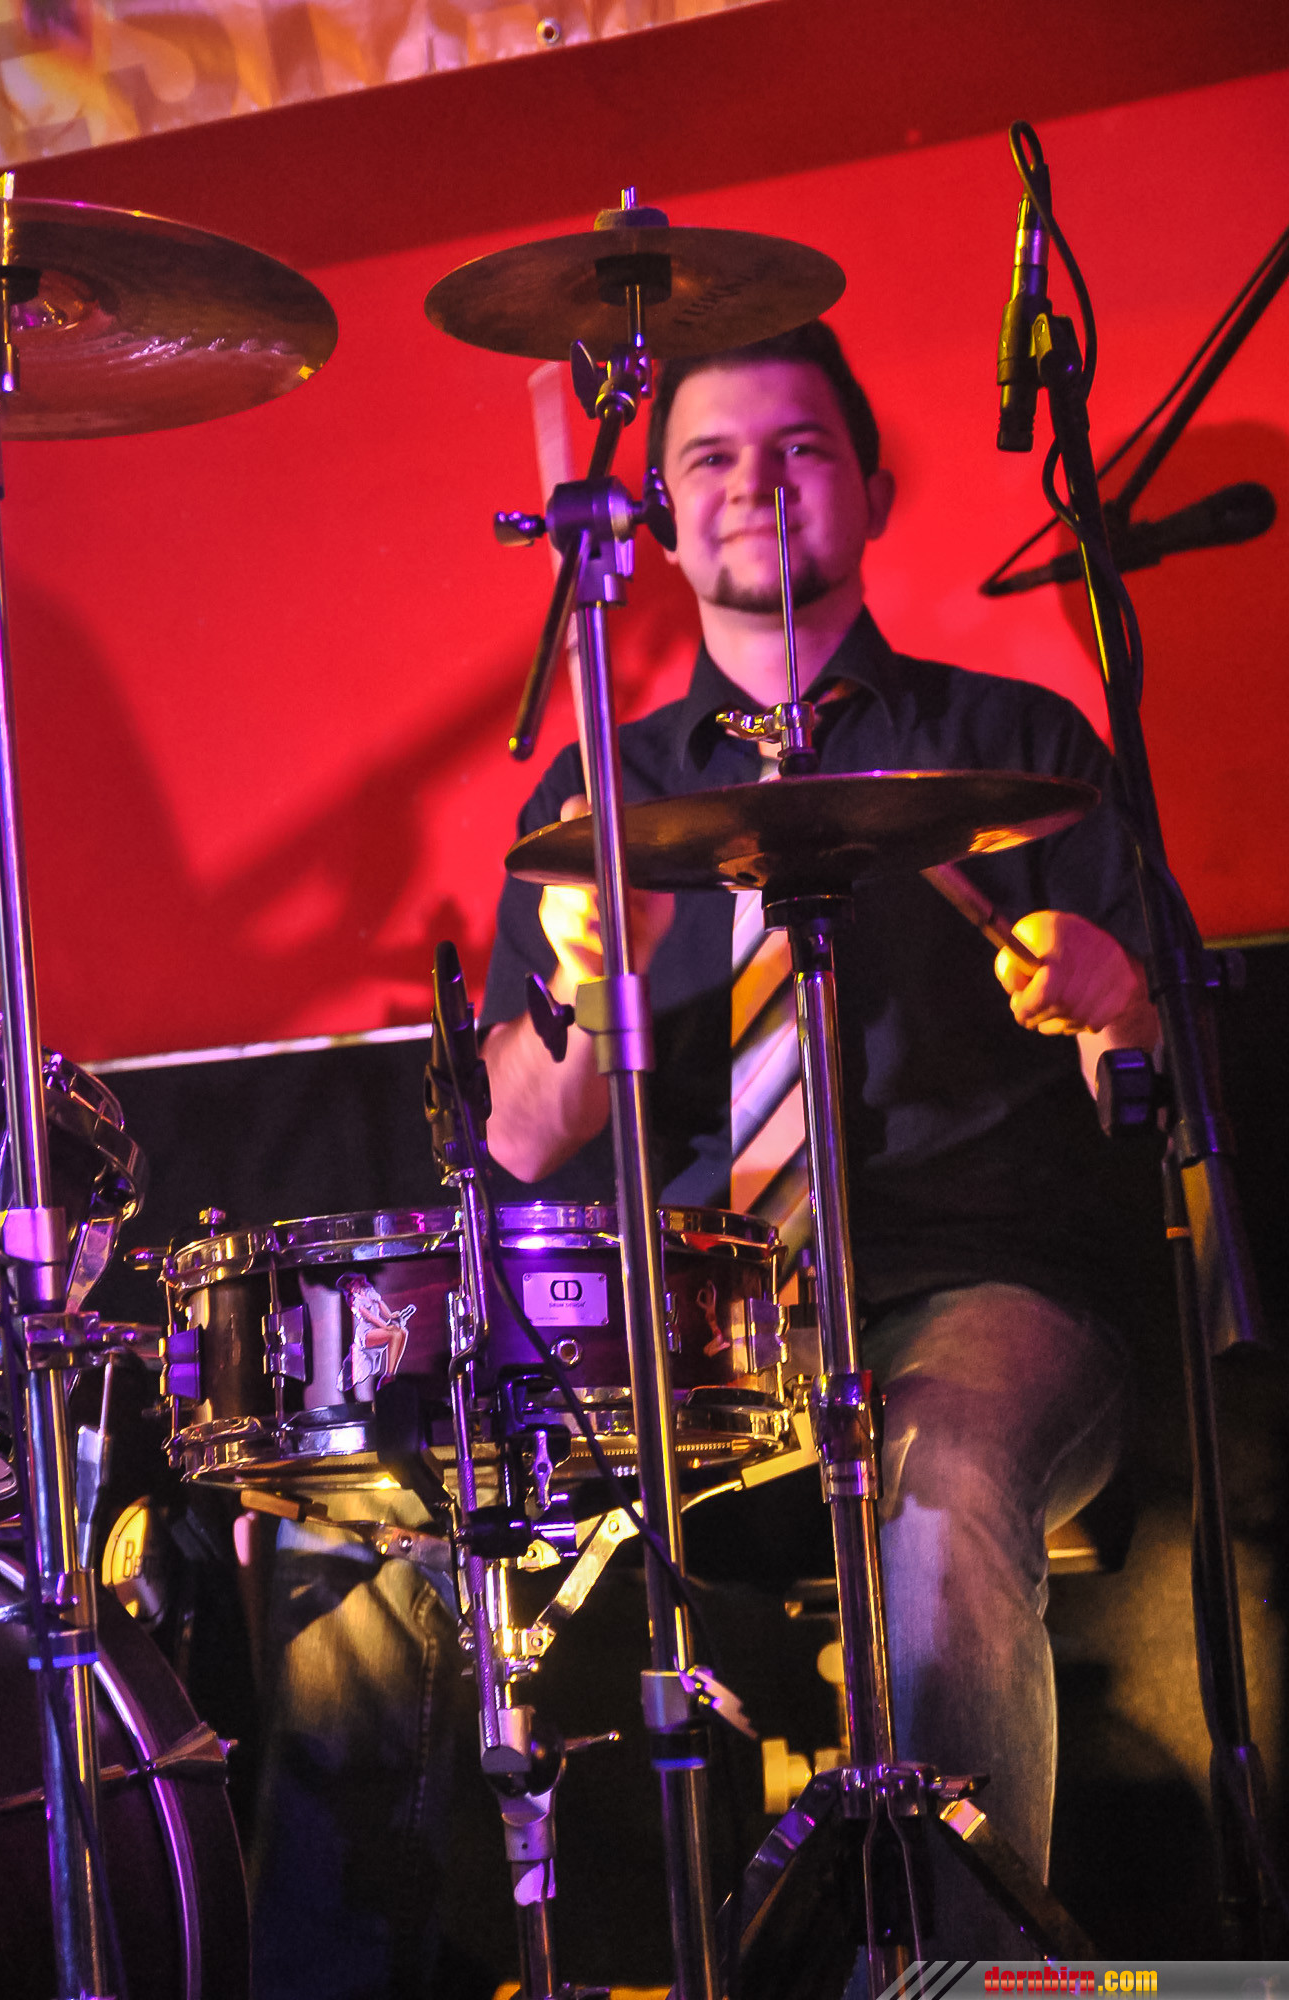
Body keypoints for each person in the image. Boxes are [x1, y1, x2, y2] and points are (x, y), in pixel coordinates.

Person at [480, 319, 1159, 1949]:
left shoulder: (1022, 752)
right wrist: (592, 987)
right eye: (709, 458)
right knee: (405, 1538)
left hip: (987, 1291)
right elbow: (519, 1137)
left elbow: (1152, 1095)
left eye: (800, 448)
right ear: (658, 517)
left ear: (875, 488)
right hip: (701, 1342)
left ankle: (963, 1979)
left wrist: (1115, 1000)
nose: (755, 483)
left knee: (930, 1483)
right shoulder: (602, 791)